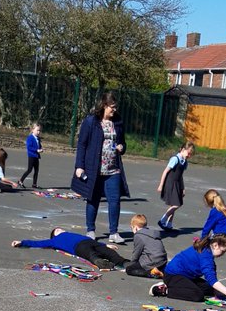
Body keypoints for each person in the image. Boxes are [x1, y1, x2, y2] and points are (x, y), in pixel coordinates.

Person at [72, 92, 129, 243]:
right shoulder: (91, 121)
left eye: (115, 107)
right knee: (93, 199)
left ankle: (114, 233)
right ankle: (90, 230)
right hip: (94, 169)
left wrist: (122, 147)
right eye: (112, 107)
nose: (114, 110)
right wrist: (79, 166)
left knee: (115, 200)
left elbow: (123, 143)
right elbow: (82, 144)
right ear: (104, 106)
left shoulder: (117, 122)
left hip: (113, 169)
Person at [149, 234, 226, 305]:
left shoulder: (207, 249)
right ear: (215, 245)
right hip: (173, 275)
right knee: (197, 295)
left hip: (186, 276)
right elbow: (211, 279)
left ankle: (177, 287)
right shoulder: (205, 256)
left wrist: (218, 291)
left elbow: (211, 278)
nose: (222, 254)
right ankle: (163, 290)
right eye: (222, 251)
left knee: (210, 289)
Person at [11, 227, 127, 269]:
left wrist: (106, 245)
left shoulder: (72, 234)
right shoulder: (54, 241)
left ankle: (123, 262)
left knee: (109, 252)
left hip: (87, 241)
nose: (60, 229)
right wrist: (22, 242)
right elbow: (37, 243)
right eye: (57, 229)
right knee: (90, 254)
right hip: (78, 246)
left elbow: (93, 242)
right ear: (54, 234)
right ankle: (100, 262)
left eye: (60, 228)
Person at [157, 141, 194, 233]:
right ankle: (163, 220)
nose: (189, 155)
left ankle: (169, 224)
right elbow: (165, 172)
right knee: (177, 204)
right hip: (170, 183)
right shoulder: (175, 159)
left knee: (173, 204)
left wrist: (183, 188)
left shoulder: (184, 162)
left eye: (191, 154)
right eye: (188, 153)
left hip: (177, 184)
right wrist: (161, 185)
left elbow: (180, 176)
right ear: (182, 149)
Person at [124, 214, 168, 278]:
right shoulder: (153, 233)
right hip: (163, 260)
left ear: (135, 227)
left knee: (129, 269)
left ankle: (151, 273)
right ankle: (161, 270)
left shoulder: (138, 235)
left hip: (152, 261)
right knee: (146, 259)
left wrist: (132, 264)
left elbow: (137, 253)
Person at [18, 123, 43, 188]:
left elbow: (39, 145)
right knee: (29, 170)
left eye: (39, 130)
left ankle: (34, 184)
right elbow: (29, 147)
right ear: (32, 130)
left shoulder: (38, 138)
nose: (38, 132)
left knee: (36, 171)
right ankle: (20, 181)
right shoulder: (30, 138)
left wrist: (41, 148)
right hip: (31, 156)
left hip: (36, 156)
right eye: (37, 130)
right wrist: (37, 150)